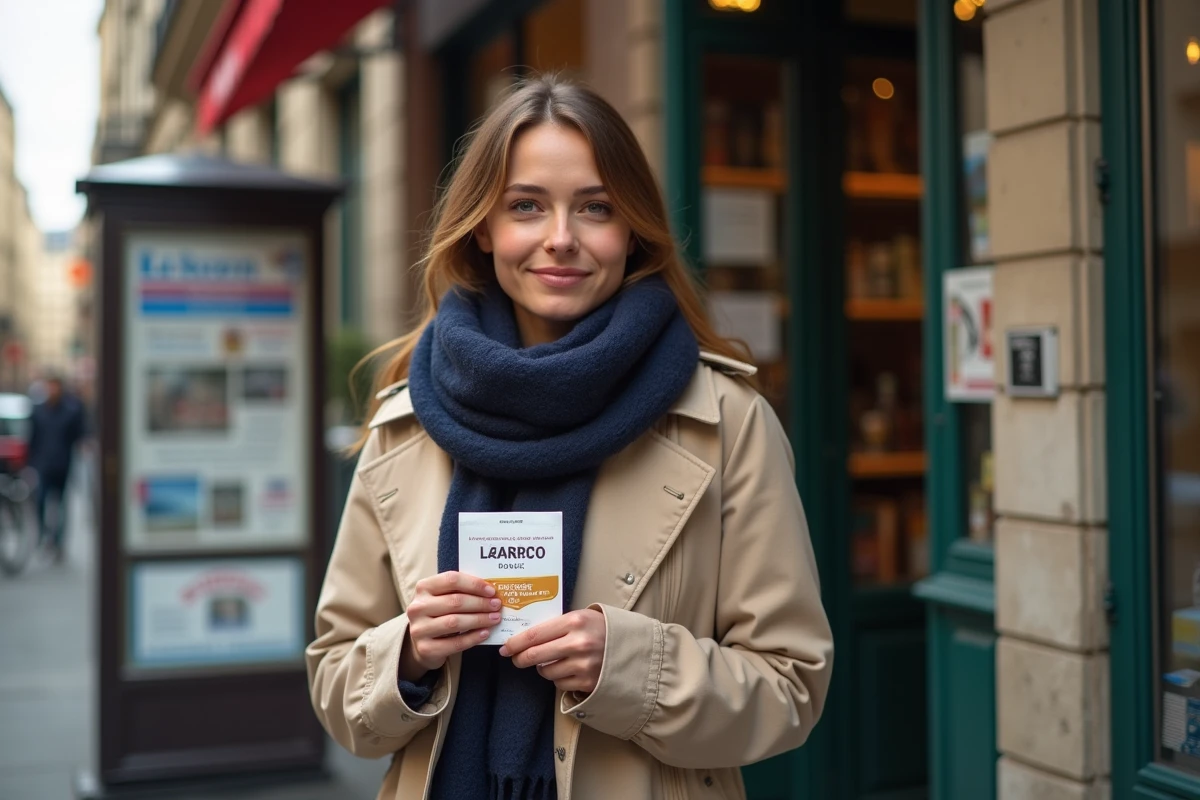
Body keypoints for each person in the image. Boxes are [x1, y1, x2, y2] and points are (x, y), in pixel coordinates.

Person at [306, 75, 833, 800]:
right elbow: (335, 683)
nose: (561, 239)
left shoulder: (724, 420)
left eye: (596, 208)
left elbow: (792, 686)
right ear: (484, 227)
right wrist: (408, 653)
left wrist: (630, 668)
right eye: (527, 206)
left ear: (632, 230)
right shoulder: (404, 424)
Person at [26, 374, 86, 562]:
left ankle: (58, 542)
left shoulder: (71, 410)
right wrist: (30, 462)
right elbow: (32, 437)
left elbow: (80, 435)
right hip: (43, 464)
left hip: (63, 464)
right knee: (41, 501)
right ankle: (45, 536)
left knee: (60, 505)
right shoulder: (38, 411)